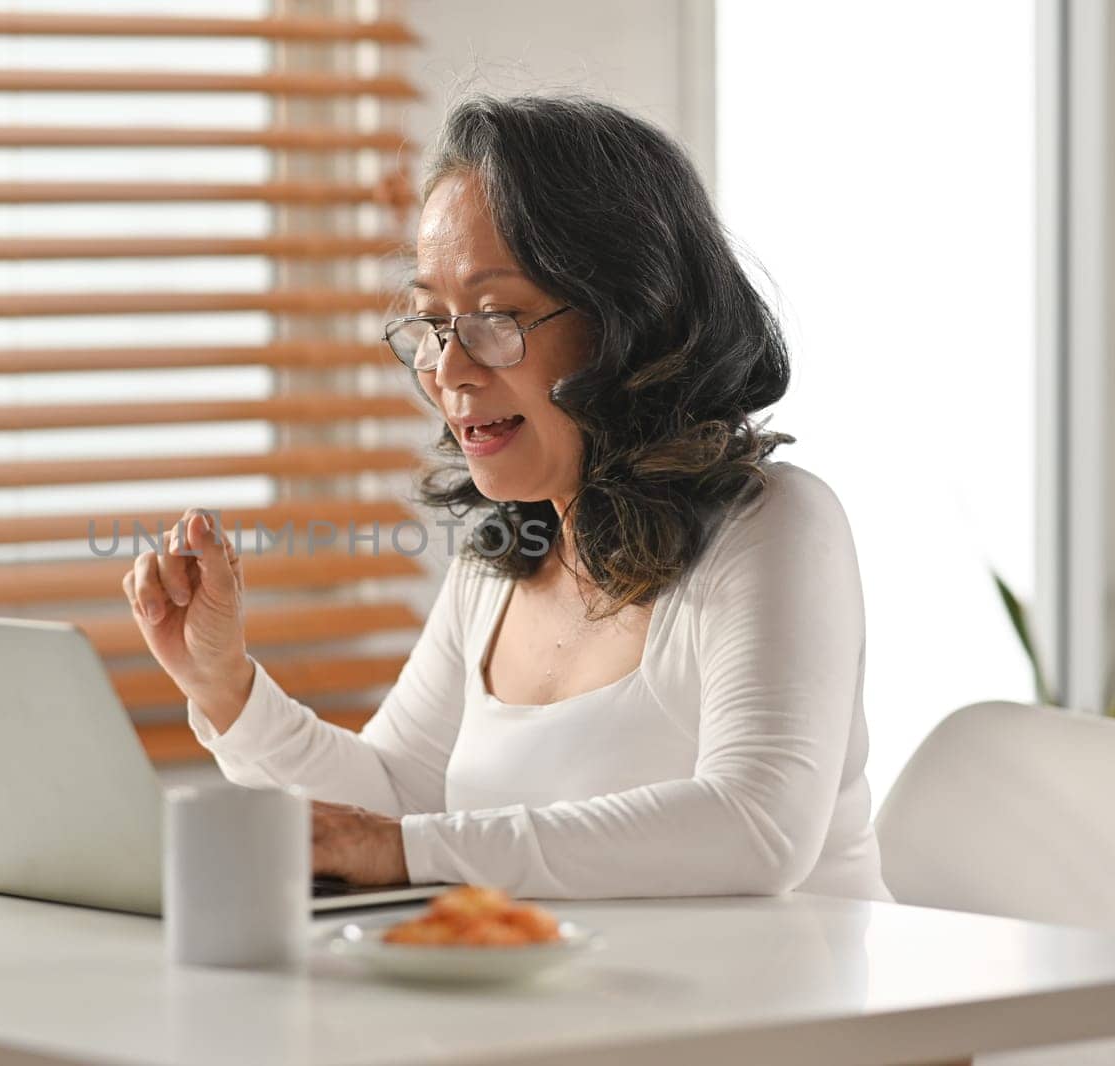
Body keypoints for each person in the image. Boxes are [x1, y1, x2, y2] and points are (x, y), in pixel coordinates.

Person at [120, 92, 893, 902]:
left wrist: (411, 853)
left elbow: (756, 828)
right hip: (588, 1014)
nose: (448, 369)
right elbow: (390, 804)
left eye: (495, 316)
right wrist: (223, 685)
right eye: (430, 322)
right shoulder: (504, 561)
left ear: (631, 318)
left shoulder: (773, 525)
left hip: (794, 1017)